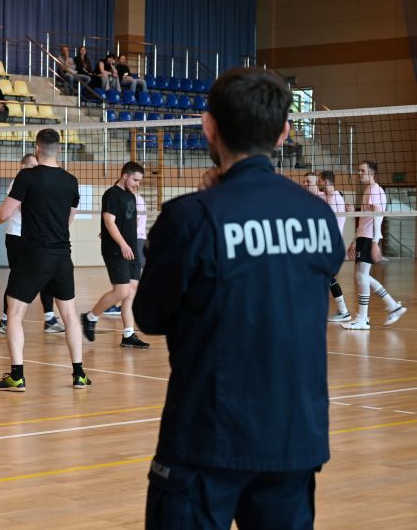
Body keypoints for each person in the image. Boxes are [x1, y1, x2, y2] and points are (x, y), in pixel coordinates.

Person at [133, 68, 344, 529]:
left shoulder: (190, 217)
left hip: (207, 435)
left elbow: (149, 316)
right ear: (284, 132)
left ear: (208, 126)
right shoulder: (319, 217)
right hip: (293, 437)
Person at [0, 128, 87, 392]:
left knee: (15, 313)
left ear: (37, 148)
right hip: (62, 255)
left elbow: (4, 214)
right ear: (59, 149)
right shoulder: (71, 181)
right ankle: (79, 375)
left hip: (33, 254)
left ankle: (17, 376)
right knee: (69, 315)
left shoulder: (27, 176)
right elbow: (69, 219)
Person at [81, 162, 151, 349]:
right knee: (121, 291)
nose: (137, 184)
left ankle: (128, 335)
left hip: (131, 249)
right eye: (135, 180)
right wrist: (122, 243)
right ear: (125, 176)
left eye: (139, 181)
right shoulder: (111, 194)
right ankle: (90, 317)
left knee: (131, 291)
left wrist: (129, 244)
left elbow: (125, 222)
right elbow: (109, 221)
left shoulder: (131, 196)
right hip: (116, 249)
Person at [0, 153, 64, 335]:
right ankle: (5, 319)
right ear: (22, 166)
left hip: (35, 238)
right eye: (32, 166)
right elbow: (22, 208)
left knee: (46, 275)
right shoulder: (19, 182)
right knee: (17, 278)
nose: (36, 169)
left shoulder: (36, 181)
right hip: (17, 236)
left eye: (37, 165)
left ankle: (49, 318)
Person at [342, 160, 406, 330]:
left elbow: (378, 217)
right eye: (359, 170)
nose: (359, 173)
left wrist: (375, 242)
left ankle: (363, 319)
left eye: (362, 171)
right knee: (362, 275)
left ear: (372, 172)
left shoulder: (375, 190)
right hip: (363, 237)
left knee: (361, 276)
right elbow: (365, 219)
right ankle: (393, 306)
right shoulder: (369, 190)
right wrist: (354, 241)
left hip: (369, 238)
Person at [318, 170, 352, 322]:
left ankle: (343, 311)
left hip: (331, 243)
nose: (317, 183)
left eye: (319, 181)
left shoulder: (335, 199)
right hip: (328, 243)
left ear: (325, 181)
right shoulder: (329, 196)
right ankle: (343, 310)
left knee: (325, 275)